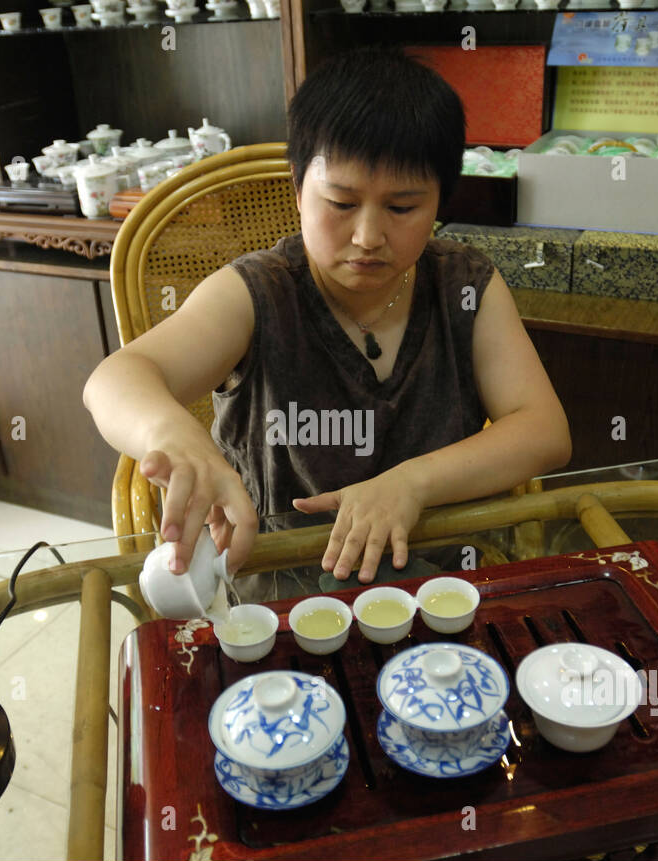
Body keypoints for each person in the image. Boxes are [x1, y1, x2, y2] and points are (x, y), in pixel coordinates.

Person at [84, 47, 570, 590]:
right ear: (298, 188)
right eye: (340, 203)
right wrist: (173, 433)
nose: (367, 237)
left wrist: (410, 484)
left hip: (441, 587)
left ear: (440, 202)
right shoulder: (259, 292)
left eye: (403, 208)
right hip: (283, 589)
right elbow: (116, 378)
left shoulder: (463, 285)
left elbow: (545, 430)